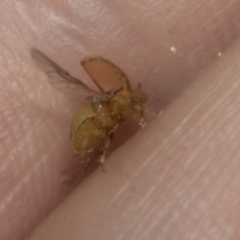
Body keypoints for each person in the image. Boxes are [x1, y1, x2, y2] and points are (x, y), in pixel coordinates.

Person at [1, 1, 240, 239]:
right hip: (87, 128)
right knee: (100, 144)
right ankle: (92, 162)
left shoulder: (115, 110)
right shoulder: (112, 110)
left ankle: (92, 161)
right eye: (136, 104)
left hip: (90, 127)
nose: (138, 106)